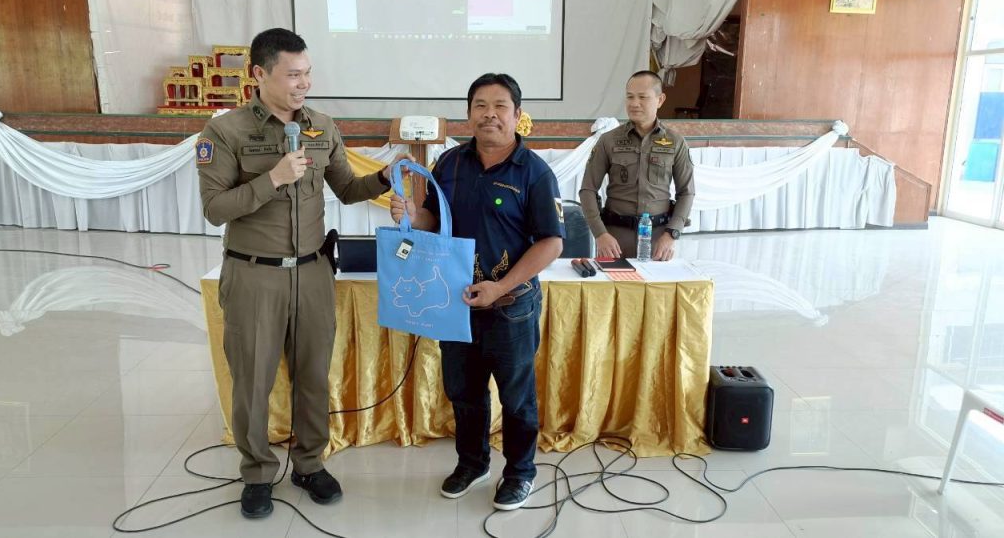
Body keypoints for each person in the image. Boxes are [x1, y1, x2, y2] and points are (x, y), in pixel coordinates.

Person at [197, 28, 409, 519]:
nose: (304, 84)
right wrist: (272, 179)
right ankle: (257, 473)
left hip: (313, 272)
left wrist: (383, 177)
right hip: (254, 276)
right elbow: (214, 209)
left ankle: (310, 464)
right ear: (259, 74)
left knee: (313, 375)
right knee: (252, 381)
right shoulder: (225, 132)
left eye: (307, 73)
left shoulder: (322, 127)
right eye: (293, 75)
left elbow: (347, 189)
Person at [389, 73, 565, 510]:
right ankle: (473, 463)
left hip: (511, 306)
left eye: (500, 106)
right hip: (456, 302)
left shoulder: (535, 173)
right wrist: (410, 214)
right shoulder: (449, 164)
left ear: (517, 115)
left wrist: (501, 285)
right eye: (480, 106)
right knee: (464, 393)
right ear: (468, 115)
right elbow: (432, 219)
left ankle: (520, 472)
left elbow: (551, 242)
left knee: (517, 398)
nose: (489, 114)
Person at [578, 70, 695, 261]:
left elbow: (687, 192)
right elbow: (587, 190)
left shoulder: (675, 142)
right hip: (615, 240)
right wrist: (600, 234)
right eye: (630, 97)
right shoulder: (608, 140)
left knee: (655, 281)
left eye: (642, 97)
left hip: (658, 240)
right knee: (613, 281)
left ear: (660, 100)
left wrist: (671, 234)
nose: (634, 103)